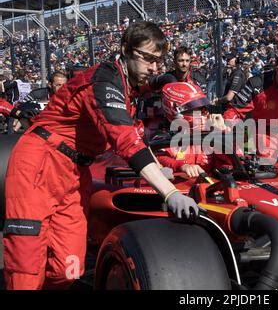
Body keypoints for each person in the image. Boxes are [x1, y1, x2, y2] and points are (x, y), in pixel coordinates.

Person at [2, 21, 199, 290]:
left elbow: (149, 85)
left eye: (159, 60)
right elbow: (127, 142)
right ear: (125, 50)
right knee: (26, 267)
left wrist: (166, 80)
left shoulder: (127, 81)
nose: (154, 67)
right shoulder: (103, 81)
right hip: (38, 163)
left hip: (74, 173)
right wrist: (170, 193)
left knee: (68, 268)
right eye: (149, 58)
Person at [155, 81, 228, 177]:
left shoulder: (210, 132)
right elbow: (158, 157)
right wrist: (182, 166)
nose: (201, 114)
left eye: (202, 109)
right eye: (193, 109)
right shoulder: (164, 137)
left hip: (209, 187)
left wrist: (223, 133)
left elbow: (230, 163)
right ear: (173, 109)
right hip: (179, 188)